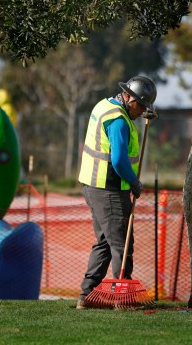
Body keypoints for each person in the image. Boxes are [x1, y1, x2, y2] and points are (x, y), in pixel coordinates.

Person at [76, 75, 157, 310]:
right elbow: (120, 160)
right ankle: (123, 298)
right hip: (109, 188)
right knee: (121, 243)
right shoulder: (119, 120)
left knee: (104, 242)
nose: (142, 111)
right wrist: (134, 182)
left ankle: (87, 295)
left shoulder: (105, 105)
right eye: (141, 105)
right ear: (129, 97)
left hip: (93, 186)